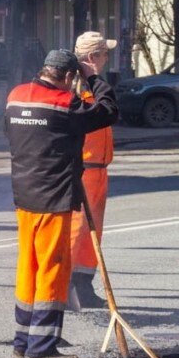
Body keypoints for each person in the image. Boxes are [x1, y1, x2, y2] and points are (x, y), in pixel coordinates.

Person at [4, 49, 118, 358]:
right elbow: (107, 111)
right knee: (53, 269)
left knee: (29, 267)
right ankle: (41, 349)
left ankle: (22, 341)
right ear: (68, 77)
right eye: (74, 79)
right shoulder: (65, 103)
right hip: (53, 198)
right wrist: (93, 76)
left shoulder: (15, 96)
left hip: (24, 197)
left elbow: (16, 136)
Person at [69, 31, 118, 309]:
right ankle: (63, 289)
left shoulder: (93, 84)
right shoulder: (76, 85)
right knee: (76, 230)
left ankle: (83, 285)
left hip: (99, 169)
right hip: (84, 168)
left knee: (93, 232)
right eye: (104, 54)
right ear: (91, 57)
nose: (107, 58)